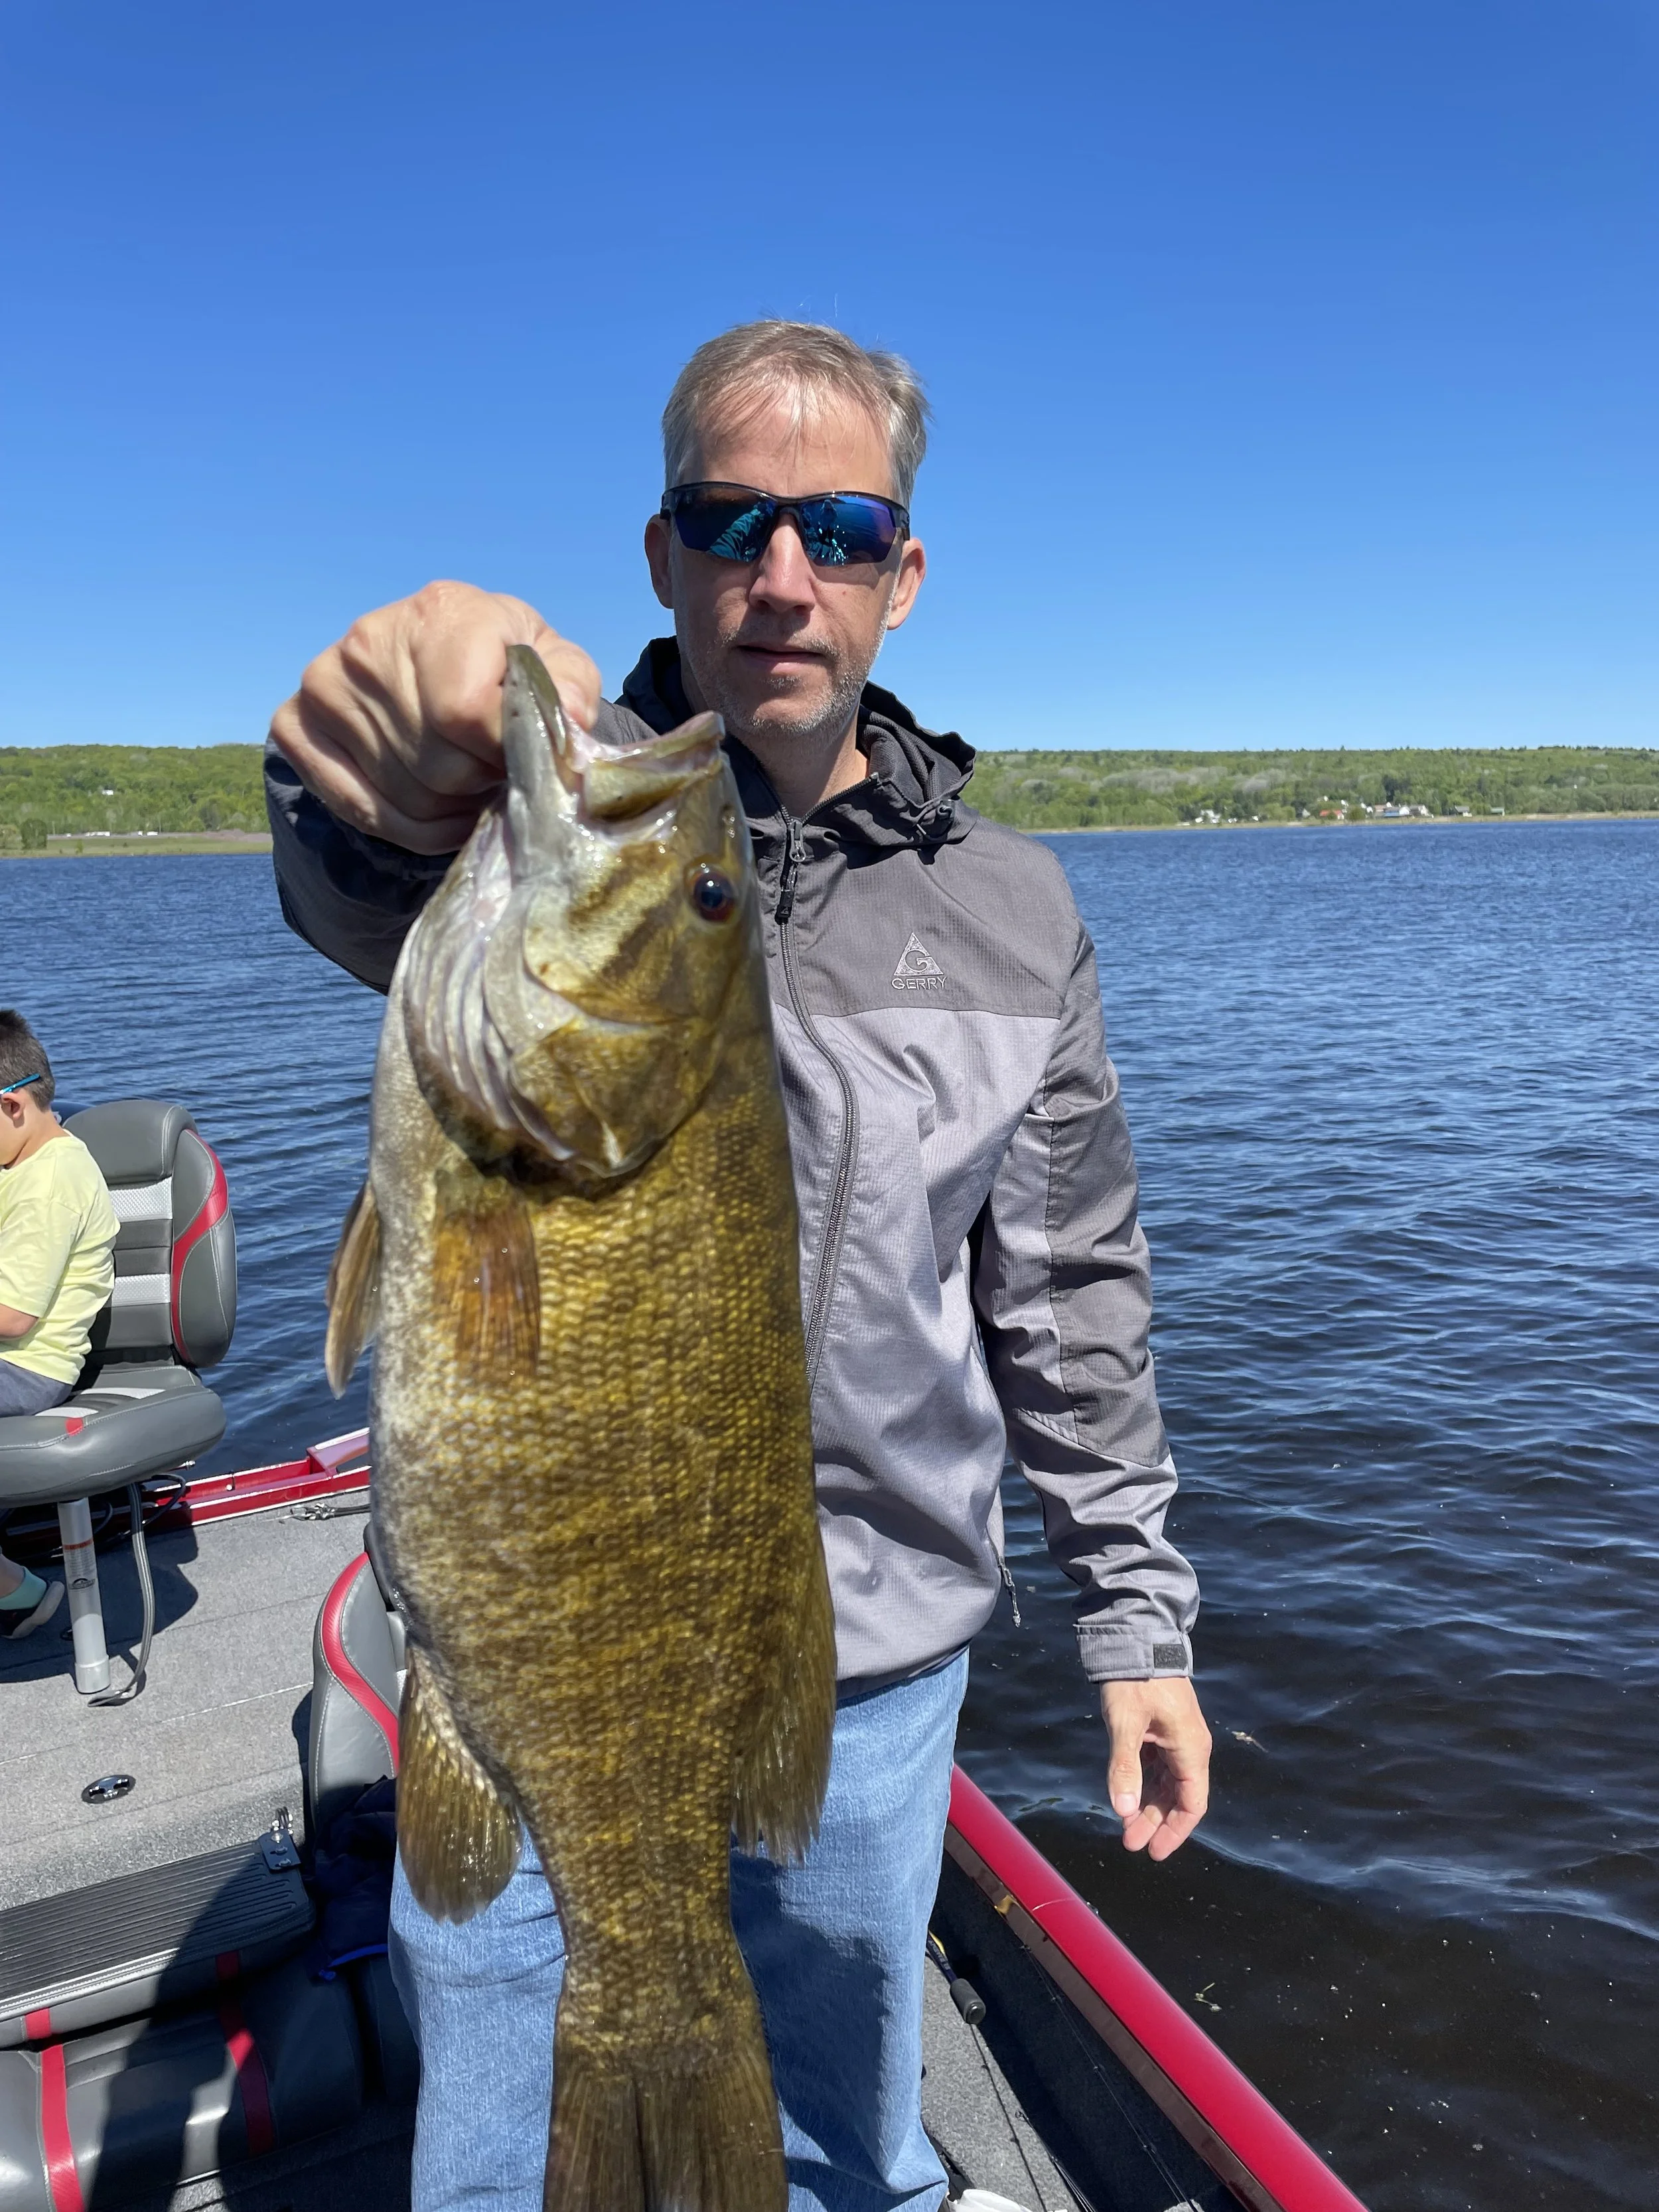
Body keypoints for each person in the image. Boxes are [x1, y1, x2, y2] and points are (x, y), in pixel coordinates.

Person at [266, 321, 1213, 2212]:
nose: (784, 572)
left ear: (900, 572)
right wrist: (360, 754)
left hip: (868, 1664)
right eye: (731, 520)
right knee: (493, 2137)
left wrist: (1137, 1622)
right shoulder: (528, 825)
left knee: (846, 2128)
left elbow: (1068, 1299)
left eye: (840, 527)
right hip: (524, 1651)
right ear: (663, 554)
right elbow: (349, 864)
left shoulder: (1013, 905)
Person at [0, 1009, 119, 1639]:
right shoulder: (22, 1163)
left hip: (26, 1366)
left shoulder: (51, 1181)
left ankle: (16, 1591)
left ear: (13, 1105)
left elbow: (14, 1315)